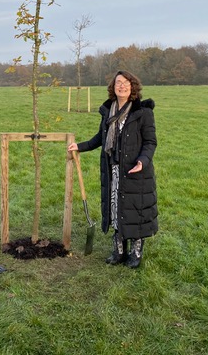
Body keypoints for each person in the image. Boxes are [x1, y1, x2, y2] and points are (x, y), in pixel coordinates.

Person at [68, 70, 158, 268]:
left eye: (126, 82)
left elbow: (150, 142)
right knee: (115, 208)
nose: (122, 86)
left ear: (133, 86)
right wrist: (80, 146)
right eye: (118, 82)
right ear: (113, 87)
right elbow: (101, 137)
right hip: (113, 169)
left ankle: (135, 252)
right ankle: (118, 251)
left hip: (134, 170)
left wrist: (143, 161)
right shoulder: (109, 111)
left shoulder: (142, 112)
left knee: (135, 210)